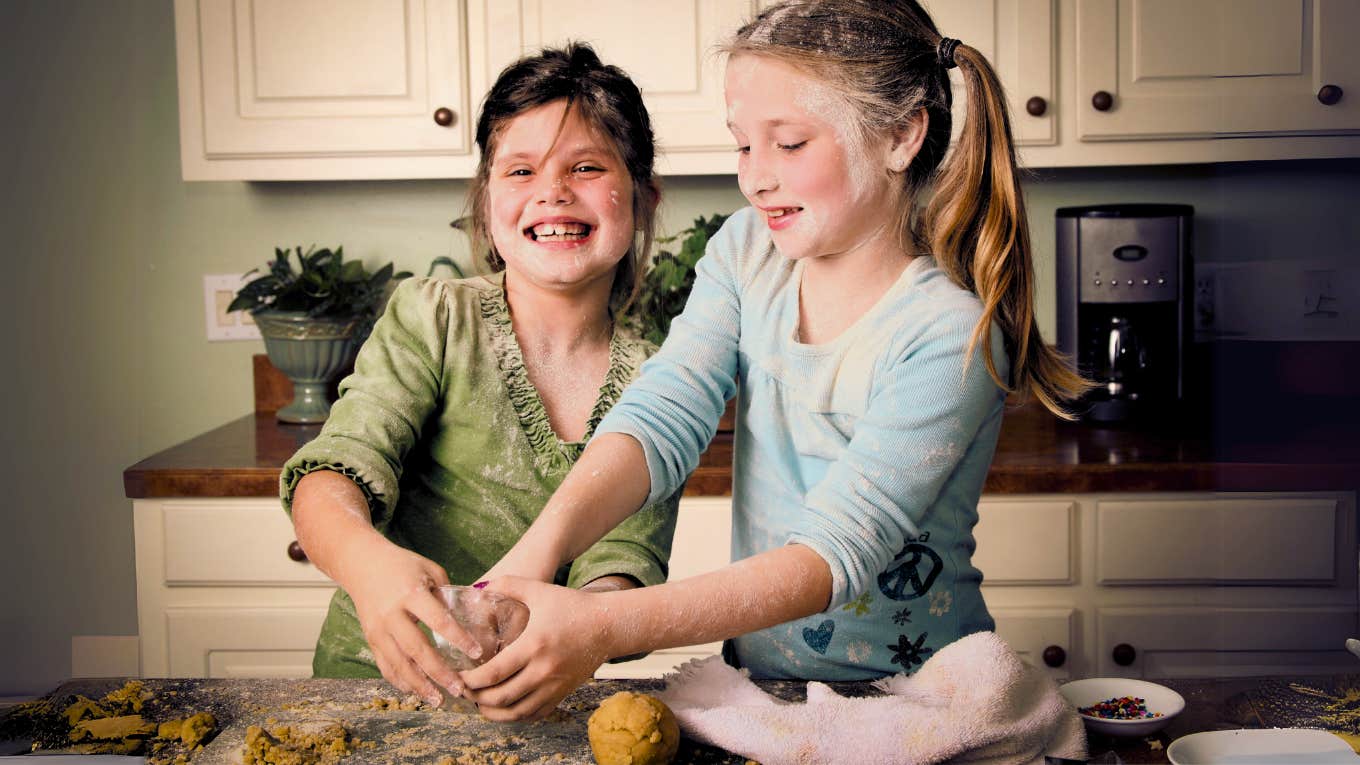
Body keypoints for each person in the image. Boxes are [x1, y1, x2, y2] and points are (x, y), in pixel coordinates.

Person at [457, 0, 1090, 722]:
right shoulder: (746, 251)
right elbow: (666, 411)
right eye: (742, 145)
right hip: (763, 685)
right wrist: (532, 557)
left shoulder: (950, 332)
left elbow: (833, 554)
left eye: (788, 144)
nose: (755, 179)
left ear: (900, 136)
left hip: (920, 696)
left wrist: (602, 625)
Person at [279, 43, 679, 709]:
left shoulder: (664, 378)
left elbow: (624, 565)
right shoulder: (433, 318)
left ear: (642, 199)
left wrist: (579, 620)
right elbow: (331, 478)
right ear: (487, 203)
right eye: (520, 169)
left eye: (585, 165)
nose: (552, 190)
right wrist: (367, 566)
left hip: (531, 698)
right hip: (368, 688)